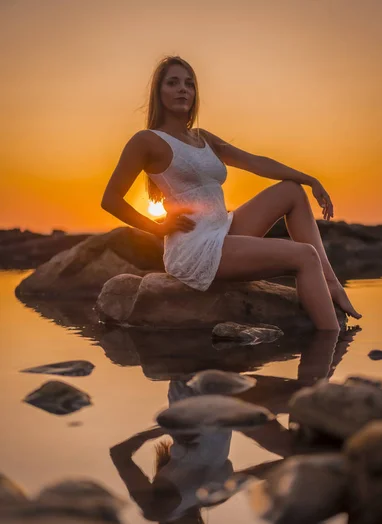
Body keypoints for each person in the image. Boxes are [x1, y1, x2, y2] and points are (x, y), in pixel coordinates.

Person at [101, 55, 362, 331]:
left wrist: (310, 179)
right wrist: (157, 228)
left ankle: (331, 283)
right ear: (159, 91)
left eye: (189, 84)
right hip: (196, 248)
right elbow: (110, 200)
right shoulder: (146, 141)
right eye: (173, 83)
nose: (183, 89)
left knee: (291, 192)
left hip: (222, 230)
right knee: (305, 256)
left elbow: (255, 162)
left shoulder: (203, 138)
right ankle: (332, 346)